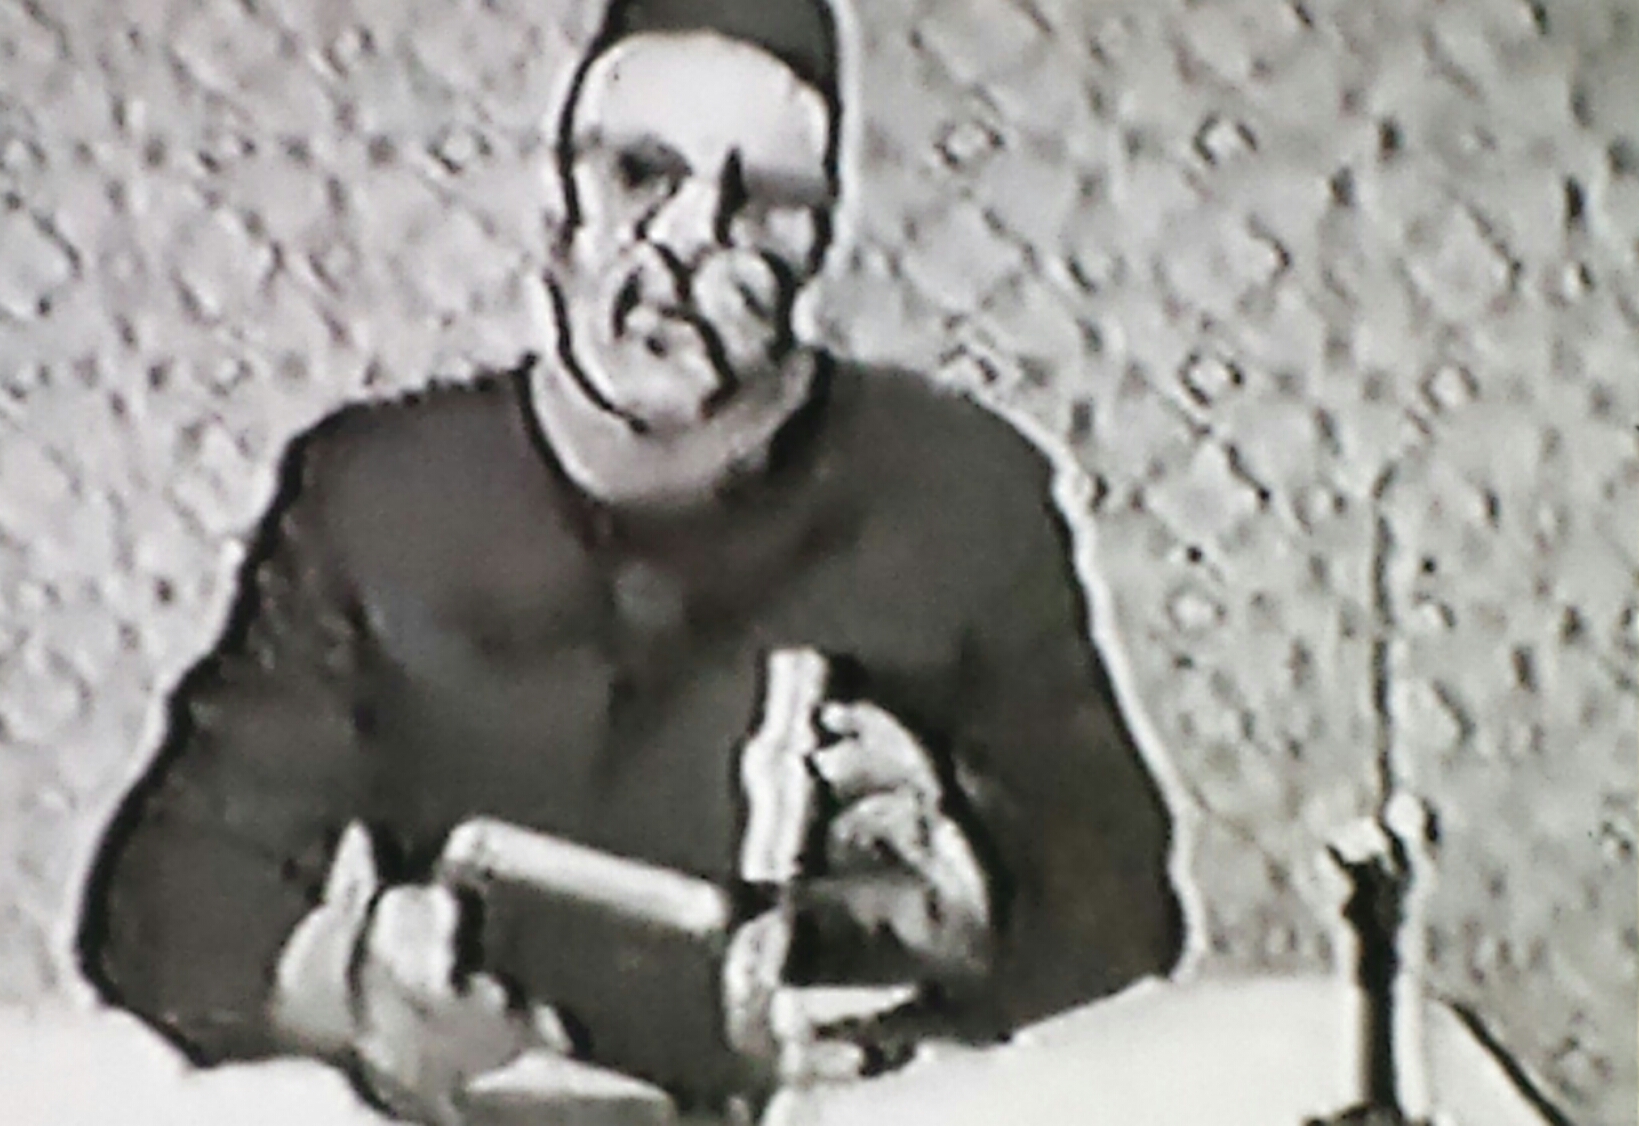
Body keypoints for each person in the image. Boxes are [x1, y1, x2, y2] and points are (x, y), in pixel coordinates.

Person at [77, 0, 1184, 1119]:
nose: (686, 243)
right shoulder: (377, 494)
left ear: (822, 242)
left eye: (763, 202)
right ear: (557, 209)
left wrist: (962, 899)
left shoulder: (963, 496)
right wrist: (350, 992)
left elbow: (1128, 905)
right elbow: (165, 892)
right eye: (639, 175)